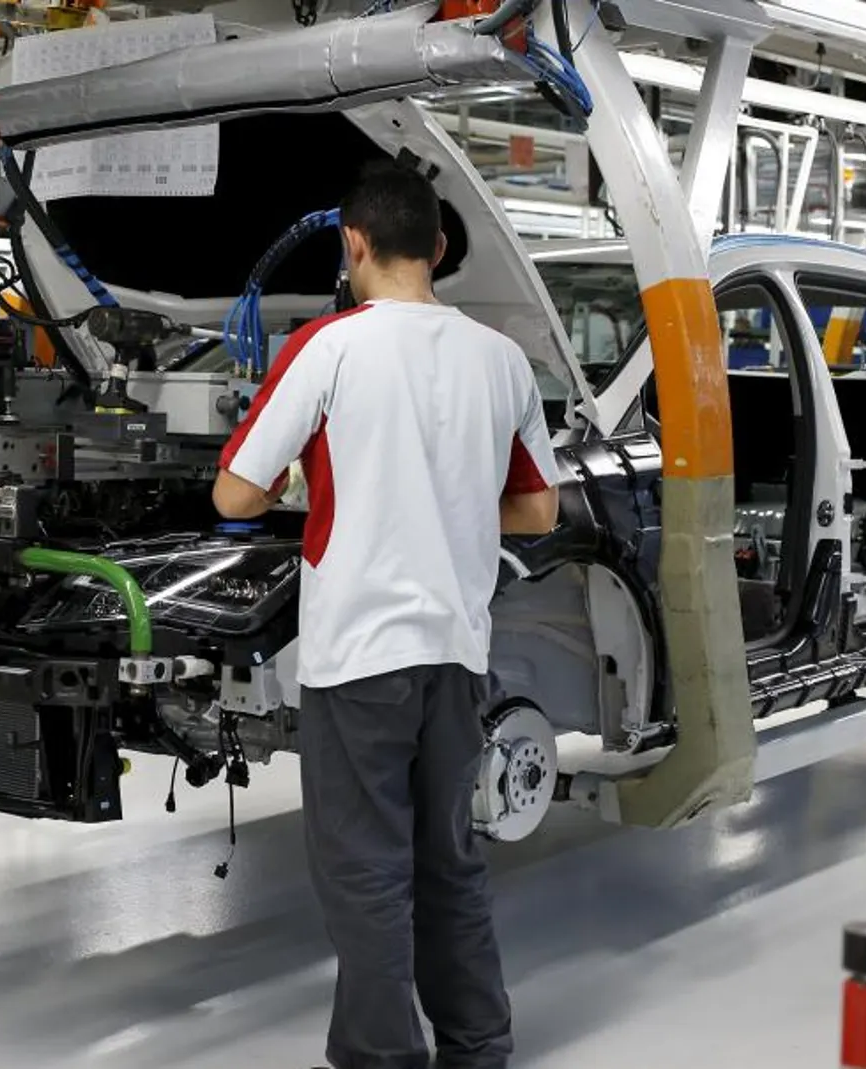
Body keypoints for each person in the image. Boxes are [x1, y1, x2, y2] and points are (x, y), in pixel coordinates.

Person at [212, 160, 561, 1069]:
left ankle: (381, 1057)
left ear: (352, 243)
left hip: (358, 658)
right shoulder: (502, 359)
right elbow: (538, 510)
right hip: (455, 653)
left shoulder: (329, 346)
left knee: (364, 868)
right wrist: (439, 499)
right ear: (441, 249)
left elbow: (238, 492)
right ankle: (478, 1045)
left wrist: (325, 483)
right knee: (448, 859)